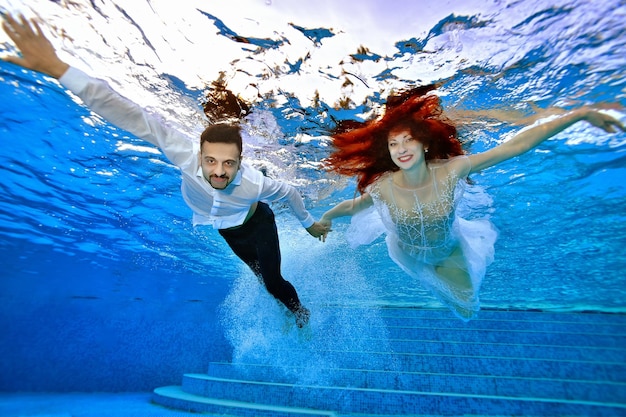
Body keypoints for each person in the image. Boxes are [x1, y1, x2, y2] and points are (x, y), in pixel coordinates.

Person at [1, 13, 329, 328]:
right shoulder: (183, 153)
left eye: (229, 164)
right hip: (228, 231)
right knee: (262, 281)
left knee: (272, 282)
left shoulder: (254, 183)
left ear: (240, 163)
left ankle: (301, 315)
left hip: (257, 223)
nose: (218, 173)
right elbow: (130, 114)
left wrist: (308, 223)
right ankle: (287, 306)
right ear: (198, 155)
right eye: (210, 161)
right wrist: (59, 69)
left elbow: (289, 191)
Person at [319, 85, 624, 320]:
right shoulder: (384, 186)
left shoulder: (453, 170)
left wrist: (579, 115)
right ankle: (432, 279)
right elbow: (353, 207)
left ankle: (444, 286)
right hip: (406, 252)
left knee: (466, 309)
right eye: (393, 144)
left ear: (425, 144)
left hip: (449, 250)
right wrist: (327, 218)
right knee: (457, 300)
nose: (401, 149)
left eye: (408, 140)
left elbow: (515, 147)